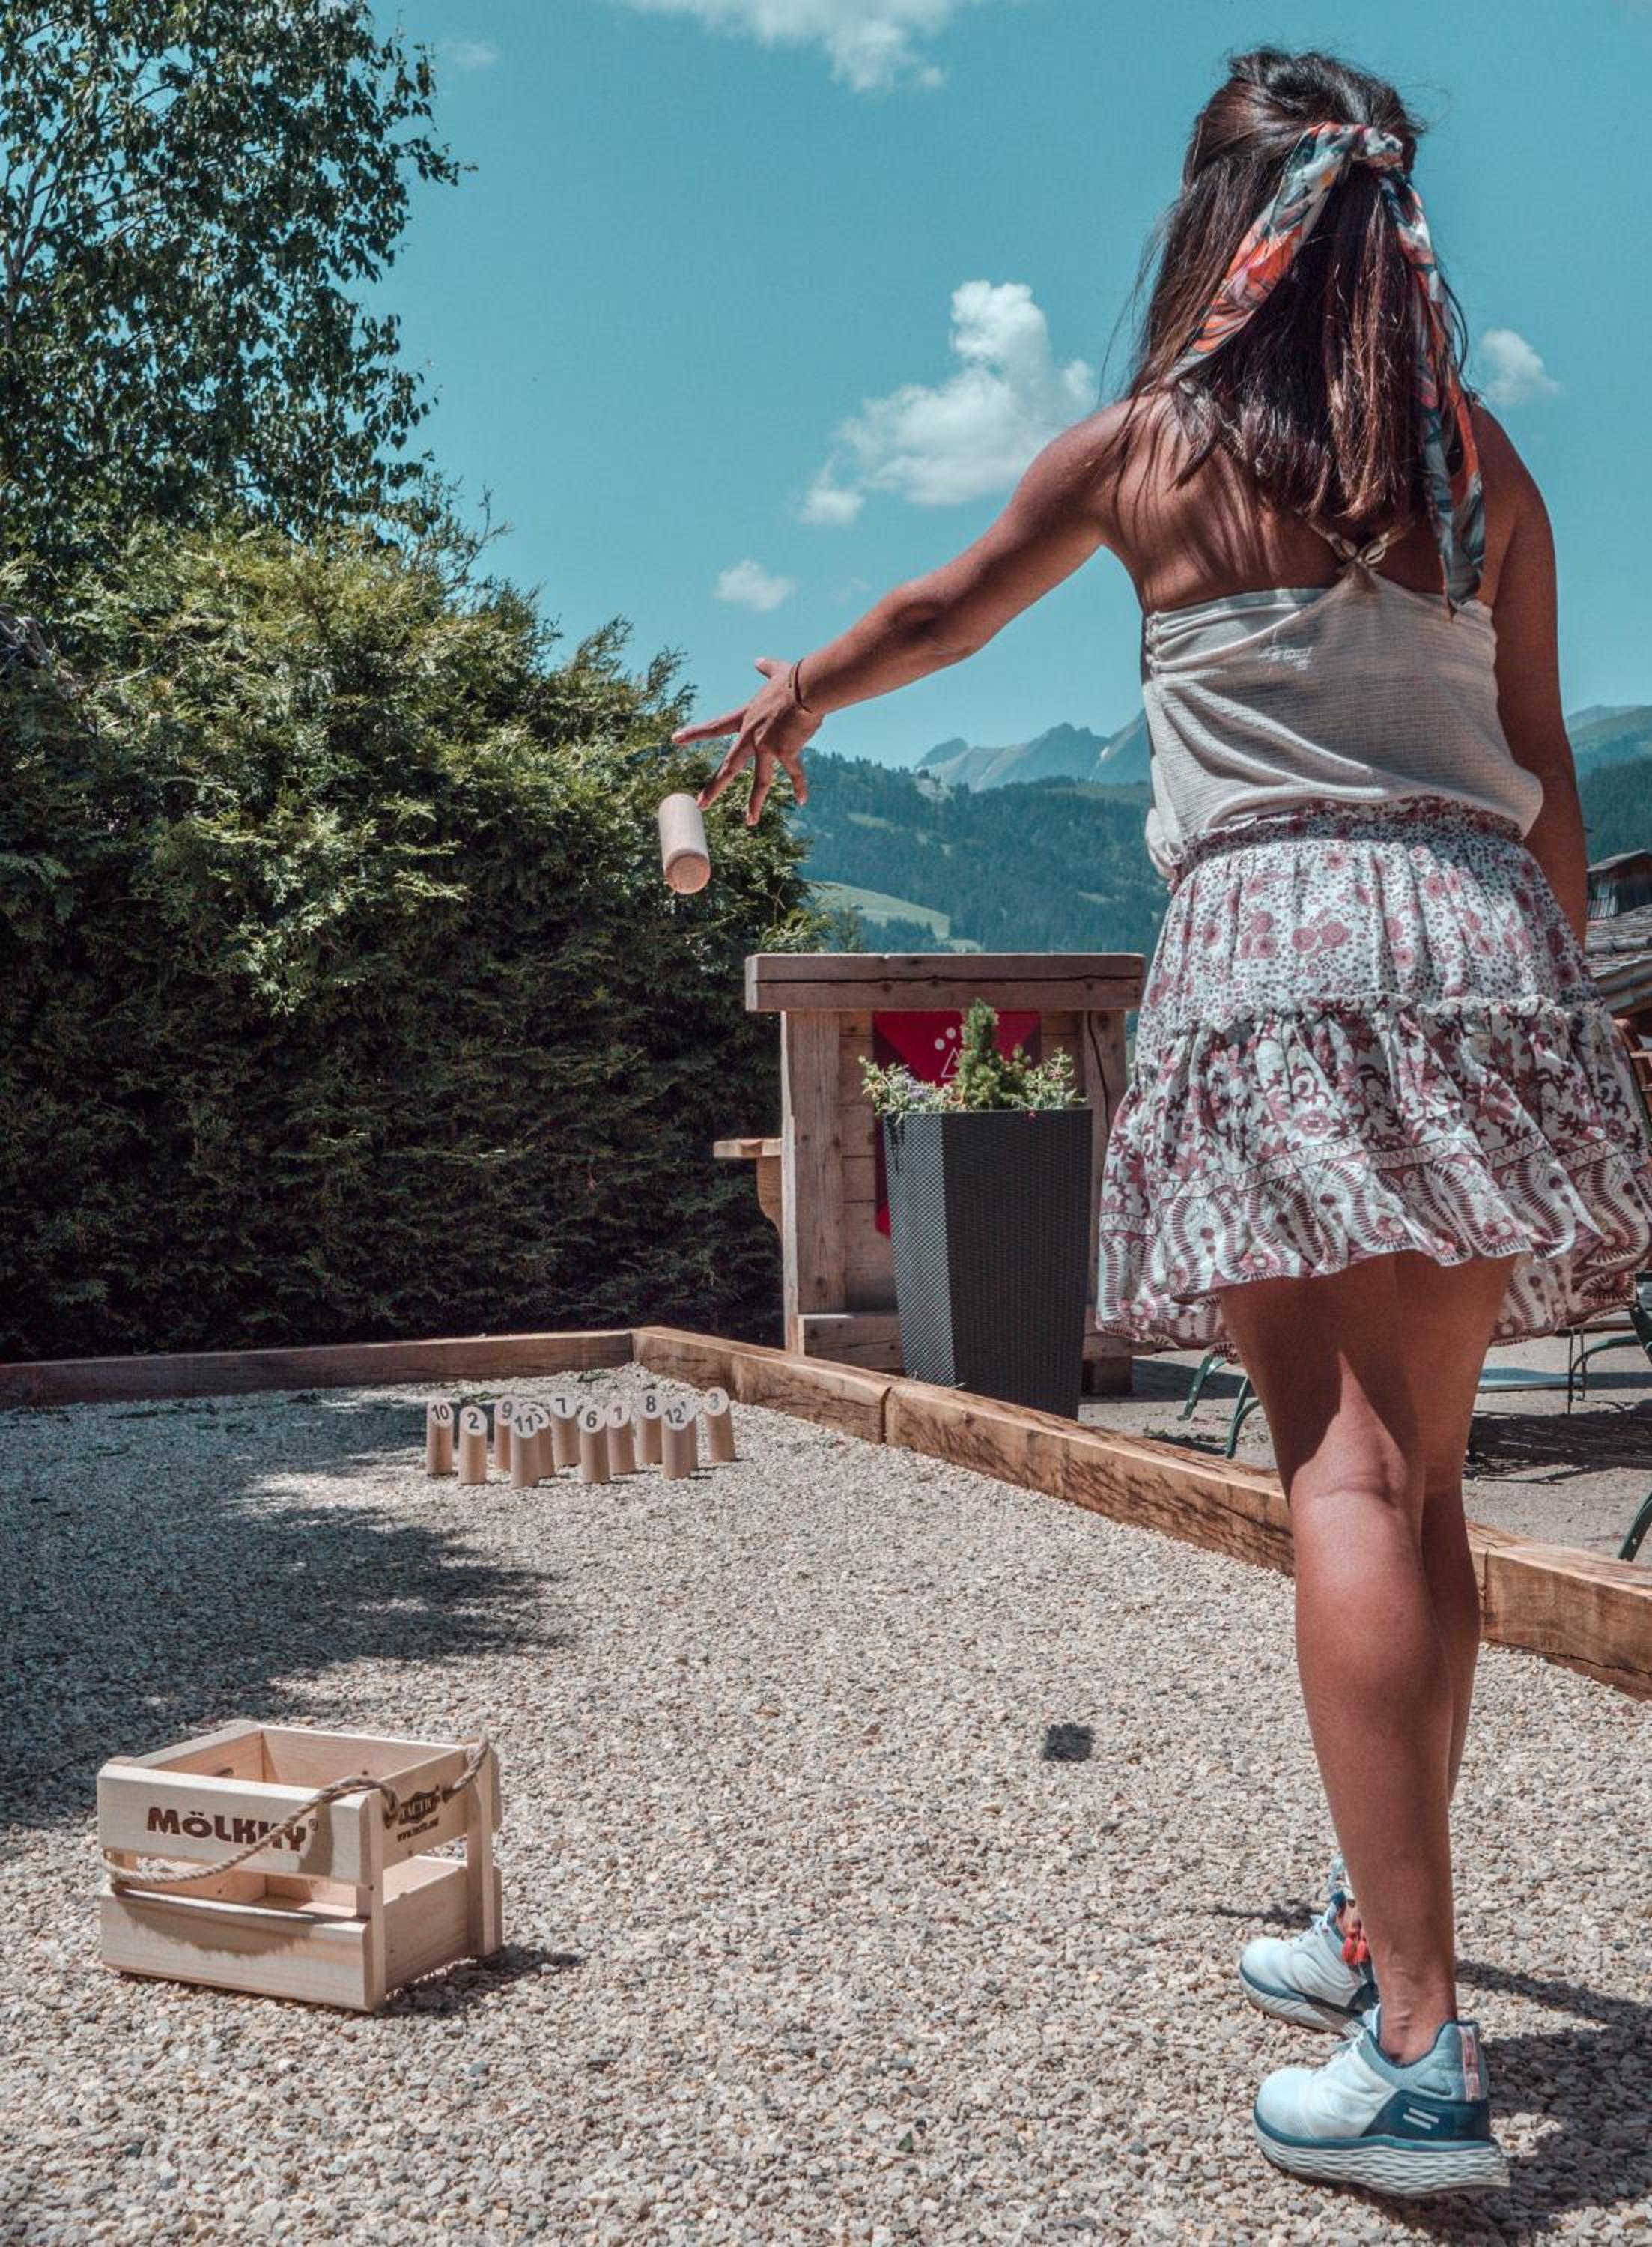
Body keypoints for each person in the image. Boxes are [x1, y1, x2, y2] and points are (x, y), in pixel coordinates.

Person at [672, 44, 1652, 2199]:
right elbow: (1545, 770)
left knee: (1342, 1477)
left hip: (1282, 955)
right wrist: (1554, 1016)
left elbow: (941, 615)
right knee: (1428, 1485)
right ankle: (1379, 1931)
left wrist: (796, 697)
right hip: (1481, 949)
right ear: (1391, 227)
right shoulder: (1472, 458)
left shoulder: (1155, 450)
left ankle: (1419, 2056)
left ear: (1221, 223)